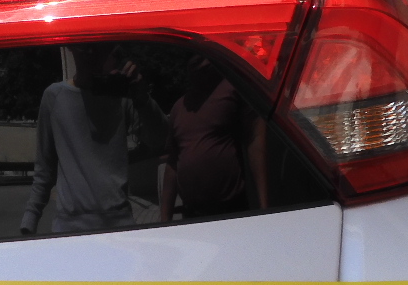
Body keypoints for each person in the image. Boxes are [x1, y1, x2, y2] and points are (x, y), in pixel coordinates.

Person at [20, 46, 167, 234]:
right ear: (71, 48)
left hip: (118, 222)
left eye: (98, 46)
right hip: (70, 225)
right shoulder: (54, 96)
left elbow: (159, 140)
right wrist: (30, 220)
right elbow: (45, 167)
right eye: (84, 47)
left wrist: (142, 99)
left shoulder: (121, 94)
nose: (91, 52)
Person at [159, 54, 267, 222]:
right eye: (188, 53)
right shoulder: (178, 108)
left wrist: (264, 206)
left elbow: (255, 140)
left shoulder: (233, 88)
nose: (196, 59)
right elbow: (173, 163)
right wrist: (165, 219)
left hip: (232, 210)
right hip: (193, 214)